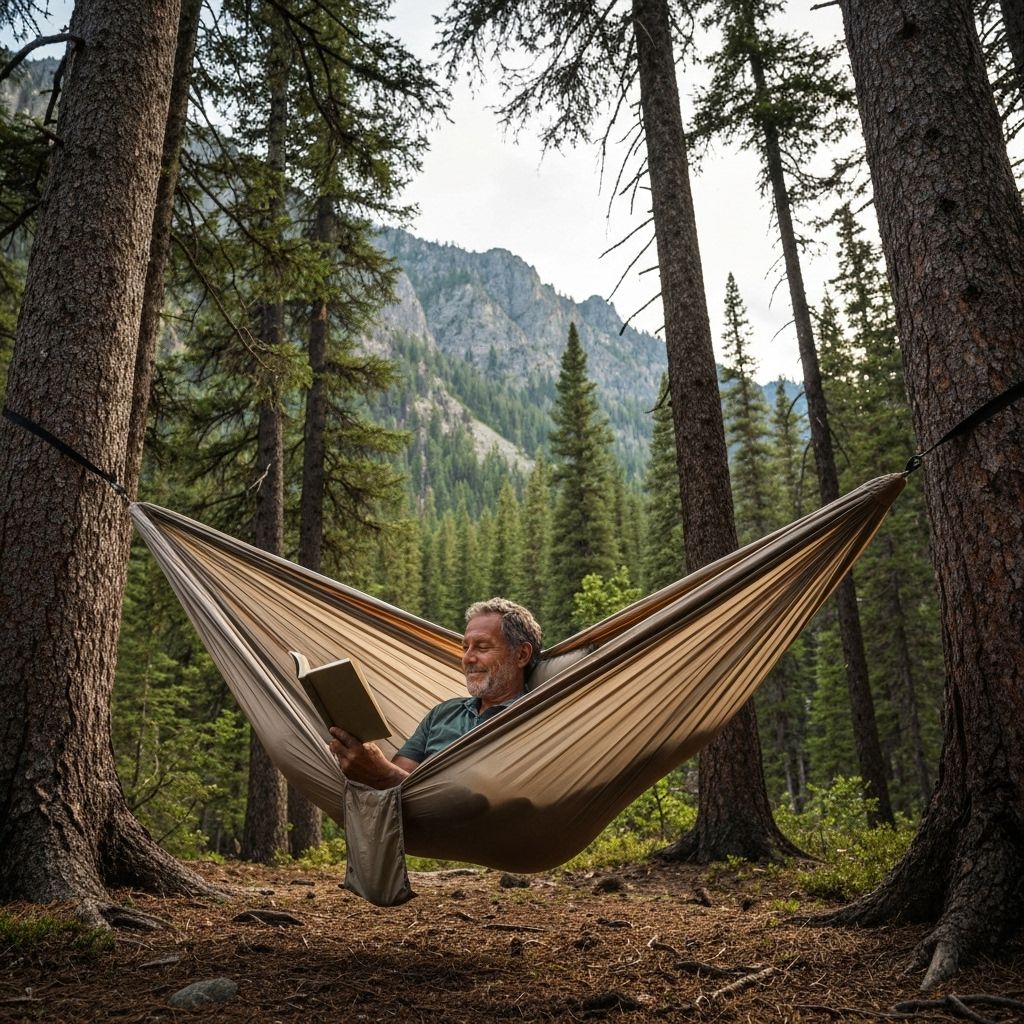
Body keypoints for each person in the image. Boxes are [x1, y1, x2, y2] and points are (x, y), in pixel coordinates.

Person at [329, 597, 542, 789]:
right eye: (465, 647)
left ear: (521, 655)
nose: (468, 658)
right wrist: (370, 766)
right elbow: (397, 788)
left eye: (482, 647)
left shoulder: (533, 723)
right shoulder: (444, 713)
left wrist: (383, 775)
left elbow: (482, 803)